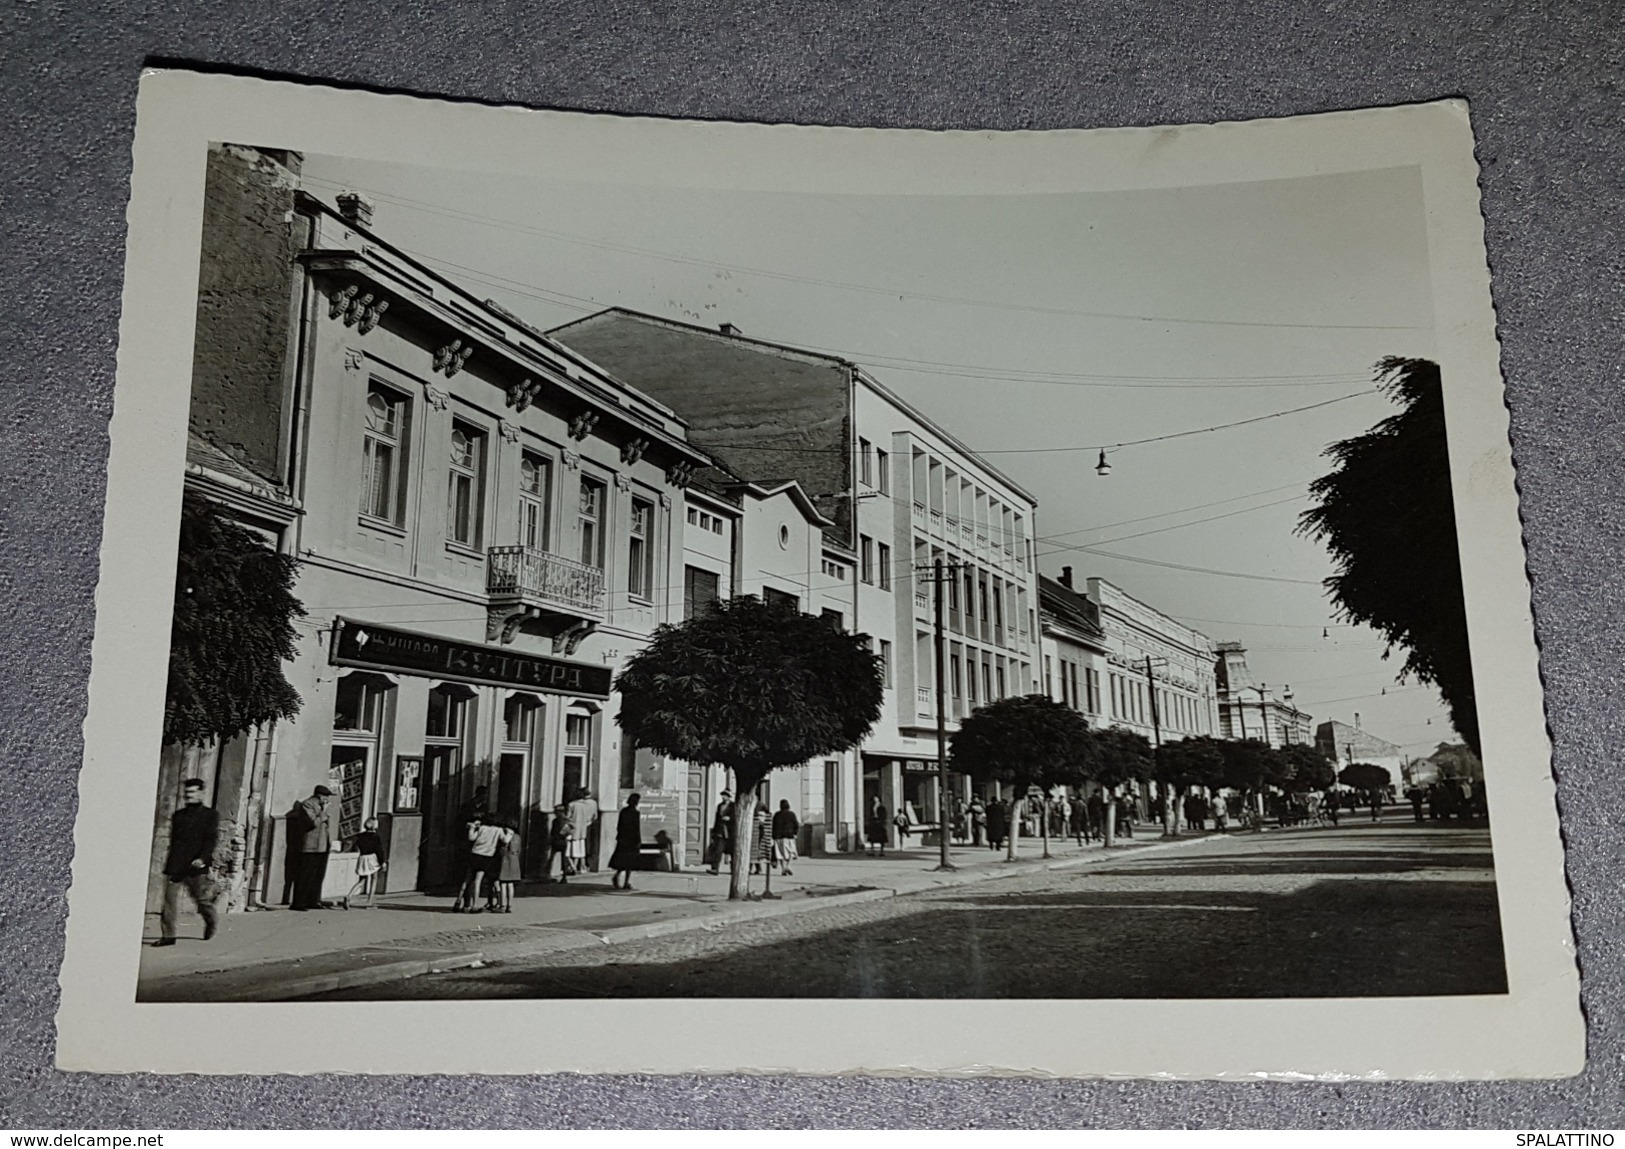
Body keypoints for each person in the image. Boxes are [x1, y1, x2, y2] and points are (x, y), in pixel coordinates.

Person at [156, 778, 220, 945]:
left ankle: (211, 921)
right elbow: (175, 840)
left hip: (196, 866)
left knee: (201, 900)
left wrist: (202, 858)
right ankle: (168, 936)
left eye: (192, 792)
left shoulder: (210, 815)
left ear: (200, 793)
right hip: (176, 865)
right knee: (169, 902)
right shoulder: (178, 816)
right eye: (186, 793)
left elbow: (211, 840)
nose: (188, 796)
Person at [289, 785, 336, 910]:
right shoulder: (307, 805)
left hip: (322, 846)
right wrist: (323, 812)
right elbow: (313, 823)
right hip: (310, 846)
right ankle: (299, 902)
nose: (327, 799)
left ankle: (313, 900)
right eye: (326, 796)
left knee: (318, 875)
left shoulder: (321, 807)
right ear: (319, 795)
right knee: (306, 875)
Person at [458, 812, 502, 912]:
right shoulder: (498, 830)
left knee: (467, 879)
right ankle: (475, 905)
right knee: (478, 881)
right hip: (487, 856)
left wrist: (472, 828)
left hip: (475, 854)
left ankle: (458, 901)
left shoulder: (482, 828)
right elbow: (504, 839)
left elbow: (472, 838)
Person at [350, 818, 386, 909]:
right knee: (374, 878)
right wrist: (382, 862)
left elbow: (355, 846)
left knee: (362, 881)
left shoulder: (360, 836)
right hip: (372, 858)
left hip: (362, 858)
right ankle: (370, 900)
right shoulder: (375, 837)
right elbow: (379, 850)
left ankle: (349, 896)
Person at [610, 793, 643, 890]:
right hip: (632, 840)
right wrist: (638, 840)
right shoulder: (635, 813)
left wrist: (620, 836)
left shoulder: (623, 811)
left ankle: (617, 876)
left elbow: (619, 826)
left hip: (623, 839)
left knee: (622, 860)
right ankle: (626, 882)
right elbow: (636, 829)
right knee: (630, 862)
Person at [566, 787, 600, 876]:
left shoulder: (571, 804)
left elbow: (567, 818)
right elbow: (594, 816)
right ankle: (581, 866)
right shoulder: (588, 804)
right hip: (584, 829)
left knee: (567, 851)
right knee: (580, 850)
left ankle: (573, 867)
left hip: (572, 830)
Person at [492, 816, 521, 911]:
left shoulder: (508, 835)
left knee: (503, 883)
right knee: (510, 884)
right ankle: (510, 905)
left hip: (506, 859)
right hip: (515, 859)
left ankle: (502, 905)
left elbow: (504, 846)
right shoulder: (518, 836)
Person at [707, 789, 735, 875]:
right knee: (718, 851)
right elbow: (717, 819)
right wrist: (714, 832)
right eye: (722, 795)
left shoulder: (733, 806)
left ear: (729, 797)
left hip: (731, 833)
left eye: (725, 795)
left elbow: (736, 817)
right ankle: (715, 868)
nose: (723, 797)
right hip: (721, 832)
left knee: (733, 852)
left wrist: (730, 819)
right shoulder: (720, 806)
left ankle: (734, 869)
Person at [772, 799, 800, 876]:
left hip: (778, 837)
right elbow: (796, 825)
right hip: (789, 836)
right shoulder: (791, 814)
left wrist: (773, 836)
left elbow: (773, 826)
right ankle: (788, 866)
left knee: (780, 854)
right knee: (791, 852)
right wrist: (795, 833)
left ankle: (783, 868)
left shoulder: (777, 815)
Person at [547, 803, 573, 884]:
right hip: (563, 841)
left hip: (557, 840)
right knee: (563, 859)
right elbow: (570, 830)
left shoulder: (556, 821)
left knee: (551, 858)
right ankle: (564, 876)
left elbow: (553, 832)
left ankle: (549, 874)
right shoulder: (567, 821)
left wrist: (550, 840)